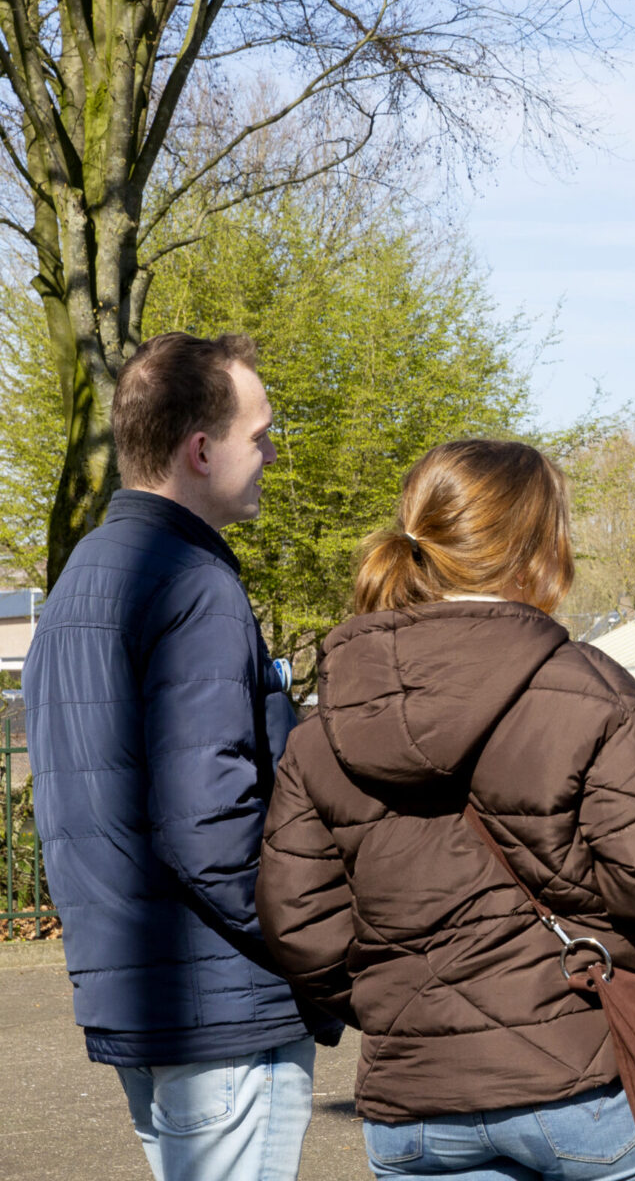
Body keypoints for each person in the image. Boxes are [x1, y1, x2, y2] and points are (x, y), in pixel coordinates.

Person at [257, 439, 635, 1181]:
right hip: (582, 1083)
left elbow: (299, 925)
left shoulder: (326, 722)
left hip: (414, 1105)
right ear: (542, 548)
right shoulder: (592, 689)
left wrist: (405, 1006)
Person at [24, 332, 340, 1180]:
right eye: (261, 433)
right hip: (222, 1006)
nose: (274, 451)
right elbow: (208, 818)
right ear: (200, 450)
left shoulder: (78, 584)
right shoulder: (194, 585)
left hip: (139, 995)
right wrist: (308, 937)